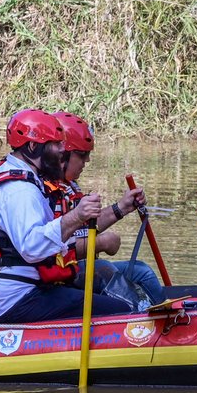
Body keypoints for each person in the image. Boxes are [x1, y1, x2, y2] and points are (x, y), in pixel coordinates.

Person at [0, 109, 145, 324]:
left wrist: (119, 209)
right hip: (9, 301)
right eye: (55, 144)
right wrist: (76, 215)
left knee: (105, 292)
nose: (61, 150)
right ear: (32, 146)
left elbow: (58, 238)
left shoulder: (17, 173)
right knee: (119, 311)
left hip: (9, 293)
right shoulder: (19, 190)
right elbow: (33, 248)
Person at [48, 111, 165, 310]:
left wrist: (122, 207)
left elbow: (84, 227)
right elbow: (51, 246)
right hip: (57, 273)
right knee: (103, 270)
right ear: (62, 154)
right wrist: (100, 243)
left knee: (141, 271)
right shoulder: (46, 190)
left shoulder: (69, 186)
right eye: (83, 155)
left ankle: (166, 316)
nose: (87, 161)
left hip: (71, 266)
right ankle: (137, 317)